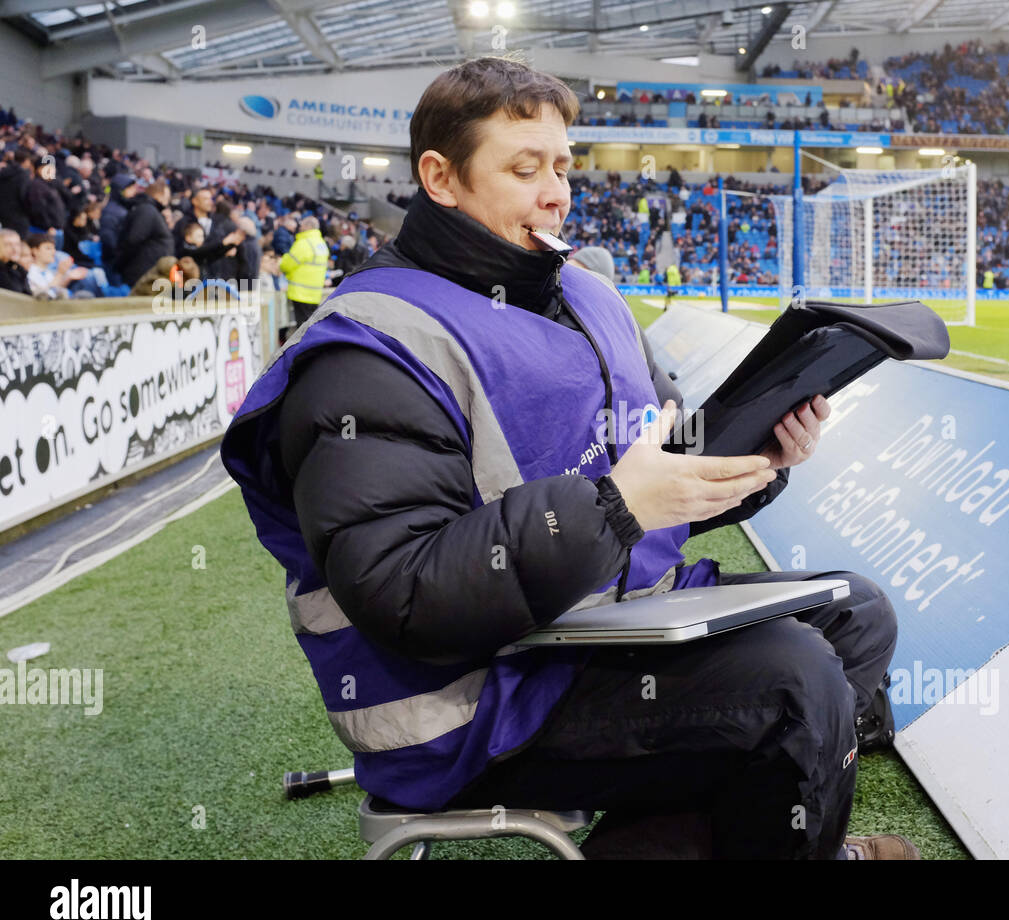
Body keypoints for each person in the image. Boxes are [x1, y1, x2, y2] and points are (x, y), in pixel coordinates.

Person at [221, 56, 909, 860]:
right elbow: (402, 592)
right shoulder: (368, 349)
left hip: (601, 621)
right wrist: (619, 508)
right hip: (481, 695)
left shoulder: (585, 291)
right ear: (440, 178)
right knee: (796, 680)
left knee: (857, 616)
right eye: (524, 169)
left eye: (562, 166)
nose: (557, 192)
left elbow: (669, 455)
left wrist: (761, 447)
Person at [115, 179, 174, 289]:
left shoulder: (150, 210)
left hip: (149, 274)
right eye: (166, 196)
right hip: (143, 275)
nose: (168, 200)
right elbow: (133, 240)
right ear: (158, 194)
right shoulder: (147, 210)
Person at [278, 213, 329, 326]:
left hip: (300, 292)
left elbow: (286, 265)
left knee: (302, 329)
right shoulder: (321, 244)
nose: (299, 227)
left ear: (308, 227)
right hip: (315, 293)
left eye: (302, 225)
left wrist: (282, 262)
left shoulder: (303, 243)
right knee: (312, 326)